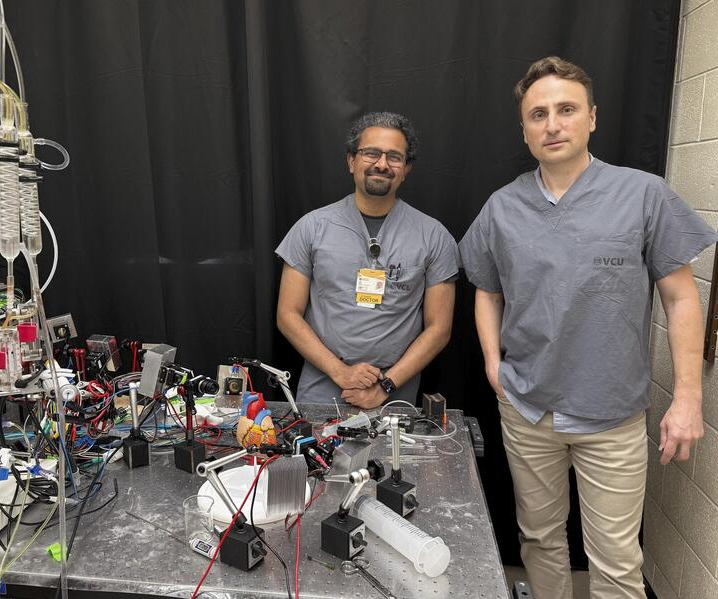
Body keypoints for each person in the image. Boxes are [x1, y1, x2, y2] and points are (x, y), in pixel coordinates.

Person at [459, 56, 718, 599]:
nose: (553, 124)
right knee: (539, 539)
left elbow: (680, 298)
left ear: (592, 118)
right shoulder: (503, 207)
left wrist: (688, 399)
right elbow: (487, 289)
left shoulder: (643, 194)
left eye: (567, 110)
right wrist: (492, 362)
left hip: (612, 416)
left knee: (617, 563)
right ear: (524, 130)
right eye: (538, 114)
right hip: (527, 409)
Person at [275, 112, 459, 409]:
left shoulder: (434, 236)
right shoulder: (311, 228)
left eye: (394, 157)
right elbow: (287, 314)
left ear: (406, 169)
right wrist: (340, 372)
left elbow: (439, 329)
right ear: (351, 161)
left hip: (395, 394)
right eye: (371, 153)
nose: (382, 164)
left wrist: (386, 385)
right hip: (322, 389)